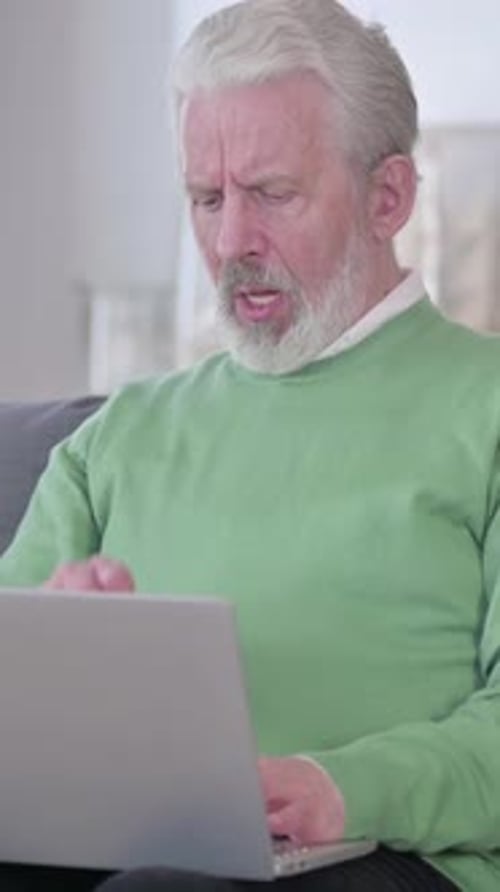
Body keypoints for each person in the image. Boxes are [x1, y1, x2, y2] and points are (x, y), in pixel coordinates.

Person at [1, 0, 500, 890]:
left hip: (382, 856)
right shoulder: (116, 439)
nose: (231, 242)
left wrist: (340, 786)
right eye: (206, 197)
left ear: (388, 196)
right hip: (109, 839)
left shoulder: (483, 408)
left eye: (272, 193)